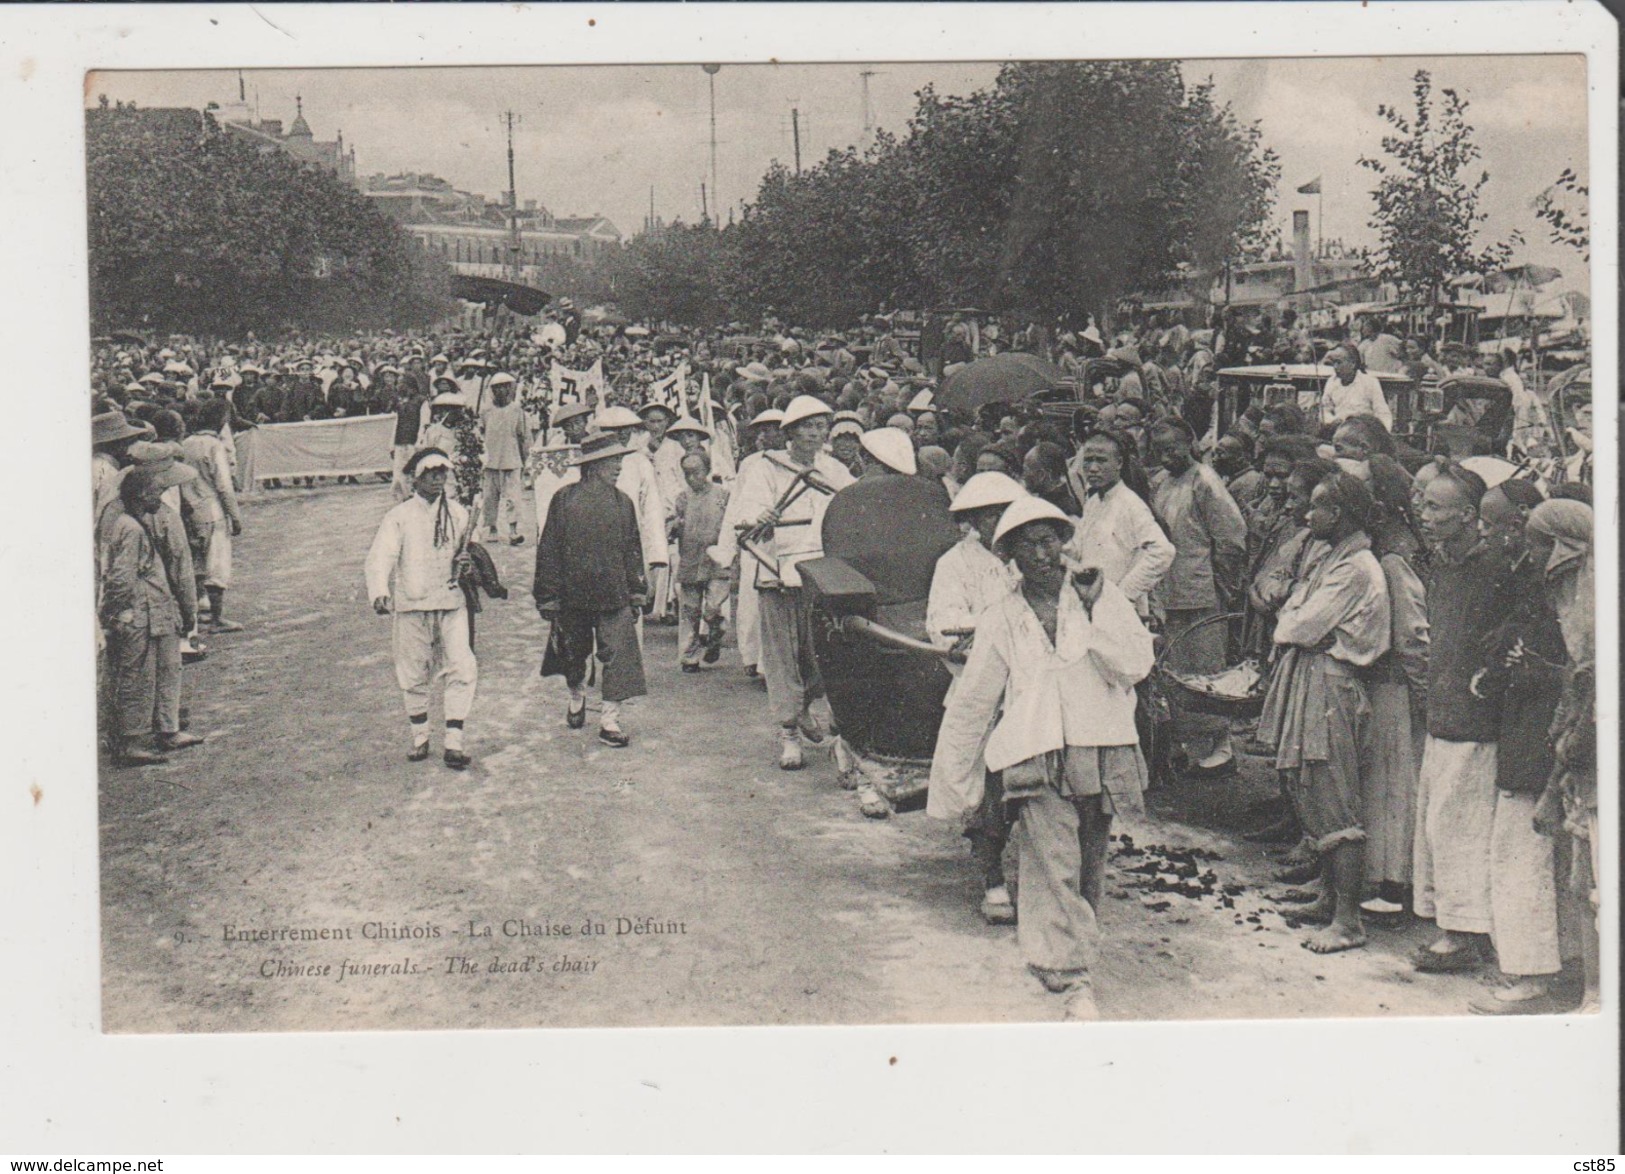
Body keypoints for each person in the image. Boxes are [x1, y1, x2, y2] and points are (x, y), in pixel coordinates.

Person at [928, 496, 1155, 1020]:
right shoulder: (1002, 616)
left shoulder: (1101, 596)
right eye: (1027, 544)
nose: (1041, 552)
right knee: (1052, 859)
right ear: (1009, 555)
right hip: (1033, 748)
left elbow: (1135, 664)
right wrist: (954, 778)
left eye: (1049, 538)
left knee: (1089, 858)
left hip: (1099, 742)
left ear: (1064, 542)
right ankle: (1072, 973)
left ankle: (1071, 949)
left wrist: (1098, 605)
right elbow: (975, 700)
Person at [1258, 473, 1391, 953]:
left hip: (1331, 684)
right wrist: (1292, 621)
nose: (1308, 515)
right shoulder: (1334, 557)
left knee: (1333, 793)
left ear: (1340, 513)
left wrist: (1291, 623)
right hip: (1313, 675)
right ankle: (1327, 898)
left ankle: (1348, 920)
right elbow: (1295, 614)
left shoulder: (1356, 566)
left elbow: (1301, 623)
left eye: (1317, 506)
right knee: (1309, 787)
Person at [1464, 479, 1568, 1013]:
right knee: (1518, 852)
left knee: (1522, 853)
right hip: (1526, 732)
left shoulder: (1567, 599)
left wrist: (1534, 671)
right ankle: (1525, 969)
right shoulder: (1542, 586)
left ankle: (1532, 977)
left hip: (1541, 742)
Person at [1410, 464, 1515, 973]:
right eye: (1424, 504)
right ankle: (1455, 926)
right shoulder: (1443, 562)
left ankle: (1466, 935)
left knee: (1461, 827)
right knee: (1438, 825)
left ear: (1468, 515)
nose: (1423, 515)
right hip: (1443, 712)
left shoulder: (1493, 568)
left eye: (1434, 507)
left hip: (1474, 722)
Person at [713, 394, 854, 769]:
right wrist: (764, 515)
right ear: (790, 433)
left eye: (821, 426)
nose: (815, 433)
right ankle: (788, 733)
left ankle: (804, 703)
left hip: (823, 576)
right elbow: (746, 514)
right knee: (781, 658)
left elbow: (854, 504)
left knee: (821, 656)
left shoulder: (834, 469)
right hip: (777, 573)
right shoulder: (764, 467)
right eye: (807, 426)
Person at [926, 471, 1025, 926]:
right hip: (984, 682)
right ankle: (992, 874)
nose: (1002, 523)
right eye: (992, 515)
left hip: (1033, 681)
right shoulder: (955, 563)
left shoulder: (1029, 558)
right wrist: (991, 630)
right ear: (974, 520)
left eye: (1009, 513)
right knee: (992, 783)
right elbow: (945, 626)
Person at [533, 432, 649, 748]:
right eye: (613, 461)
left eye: (620, 460)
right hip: (573, 595)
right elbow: (549, 548)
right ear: (594, 465)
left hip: (614, 594)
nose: (619, 467)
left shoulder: (622, 502)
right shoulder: (564, 499)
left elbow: (632, 549)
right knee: (573, 654)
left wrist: (637, 591)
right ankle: (576, 693)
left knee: (619, 655)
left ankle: (609, 721)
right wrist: (548, 595)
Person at [364, 449, 478, 770]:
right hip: (412, 605)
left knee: (461, 666)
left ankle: (454, 742)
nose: (439, 477)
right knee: (413, 669)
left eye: (443, 471)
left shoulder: (459, 514)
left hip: (451, 602)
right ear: (416, 476)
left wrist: (468, 566)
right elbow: (380, 556)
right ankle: (420, 736)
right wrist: (379, 591)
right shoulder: (399, 516)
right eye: (431, 472)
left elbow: (473, 556)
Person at [1527, 499, 1598, 1013]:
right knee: (1582, 881)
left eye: (1538, 545)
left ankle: (1597, 995)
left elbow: (1590, 687)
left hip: (1594, 750)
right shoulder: (1571, 598)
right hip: (1580, 742)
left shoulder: (1596, 606)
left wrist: (1564, 758)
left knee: (1596, 884)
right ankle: (1589, 987)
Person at [1149, 418, 1248, 778]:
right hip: (1168, 592)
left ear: (1190, 442)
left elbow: (1232, 538)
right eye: (1160, 449)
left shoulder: (1205, 481)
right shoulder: (1160, 482)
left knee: (1206, 672)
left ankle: (1220, 748)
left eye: (1173, 446)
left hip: (1202, 593)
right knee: (1173, 672)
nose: (1167, 455)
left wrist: (1223, 584)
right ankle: (1182, 744)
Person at [101, 465, 206, 766]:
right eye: (154, 492)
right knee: (137, 674)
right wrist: (114, 613)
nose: (159, 496)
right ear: (139, 495)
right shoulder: (130, 527)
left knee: (166, 668)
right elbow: (121, 577)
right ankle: (132, 741)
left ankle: (166, 730)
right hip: (140, 610)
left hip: (155, 606)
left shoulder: (135, 521)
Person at [1064, 430, 1173, 619]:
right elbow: (1078, 549)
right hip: (1092, 605)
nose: (1093, 468)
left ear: (1119, 463)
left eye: (1101, 460)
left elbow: (1163, 552)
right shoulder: (1093, 502)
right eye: (1088, 460)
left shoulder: (1130, 503)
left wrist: (1123, 594)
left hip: (1119, 612)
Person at [179, 398, 246, 633]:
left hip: (189, 510)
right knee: (216, 564)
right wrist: (235, 516)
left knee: (197, 562)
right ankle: (217, 619)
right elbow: (224, 487)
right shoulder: (213, 446)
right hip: (212, 510)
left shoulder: (186, 443)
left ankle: (199, 611)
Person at [670, 449, 731, 672]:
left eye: (696, 472)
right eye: (686, 473)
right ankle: (689, 657)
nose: (691, 477)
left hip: (717, 560)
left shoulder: (723, 496)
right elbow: (671, 526)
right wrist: (674, 526)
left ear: (706, 470)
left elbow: (732, 524)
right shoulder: (682, 498)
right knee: (690, 610)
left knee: (713, 606)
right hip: (690, 559)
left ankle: (716, 632)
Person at [639, 400, 686, 624]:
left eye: (660, 421)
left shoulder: (675, 448)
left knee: (672, 558)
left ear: (667, 422)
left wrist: (680, 510)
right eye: (651, 421)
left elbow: (683, 480)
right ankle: (649, 600)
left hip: (670, 508)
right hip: (648, 508)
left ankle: (670, 604)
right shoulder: (639, 446)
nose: (655, 426)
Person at [480, 373, 530, 546]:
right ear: (492, 390)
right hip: (491, 461)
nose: (501, 391)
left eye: (505, 387)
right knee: (489, 497)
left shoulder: (517, 409)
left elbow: (522, 435)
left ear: (510, 389)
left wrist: (525, 459)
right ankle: (492, 528)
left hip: (511, 459)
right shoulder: (485, 410)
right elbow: (481, 433)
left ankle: (513, 530)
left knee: (513, 497)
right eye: (497, 388)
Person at [1320, 346, 1393, 433]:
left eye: (1339, 362)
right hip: (1338, 431)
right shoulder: (1331, 382)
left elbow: (1382, 413)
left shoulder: (1370, 382)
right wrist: (1332, 421)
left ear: (1353, 364)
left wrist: (1383, 434)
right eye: (1334, 363)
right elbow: (1325, 410)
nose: (1335, 367)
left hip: (1363, 432)